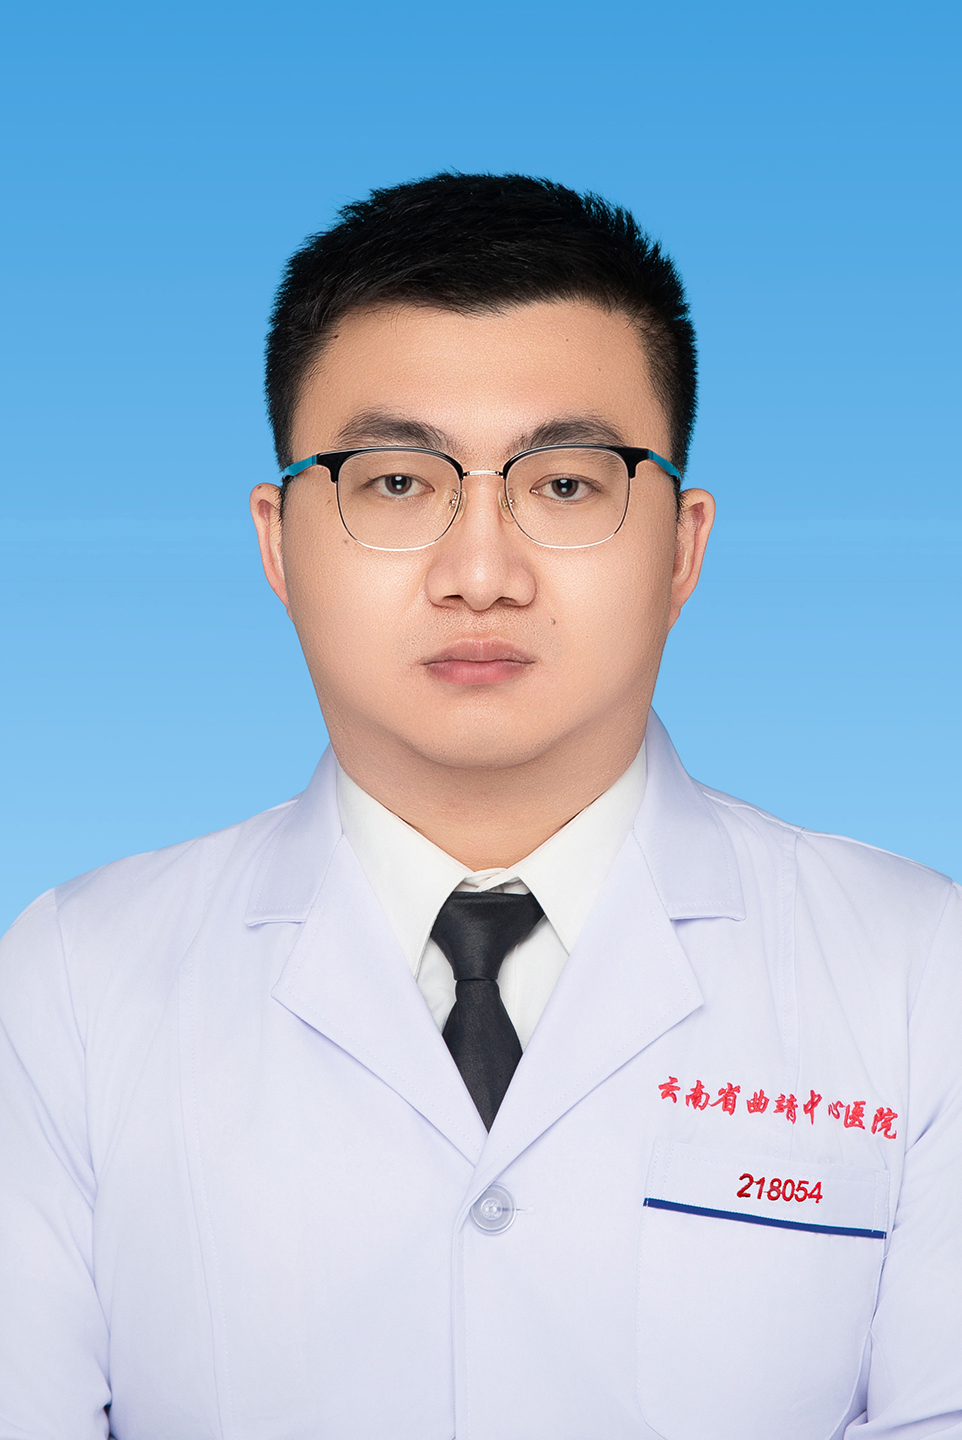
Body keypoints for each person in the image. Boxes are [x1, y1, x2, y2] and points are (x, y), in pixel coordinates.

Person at [0, 172, 959, 1440]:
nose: (479, 572)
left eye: (563, 484)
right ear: (278, 541)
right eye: (396, 482)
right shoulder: (74, 981)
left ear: (681, 545)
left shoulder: (917, 972)